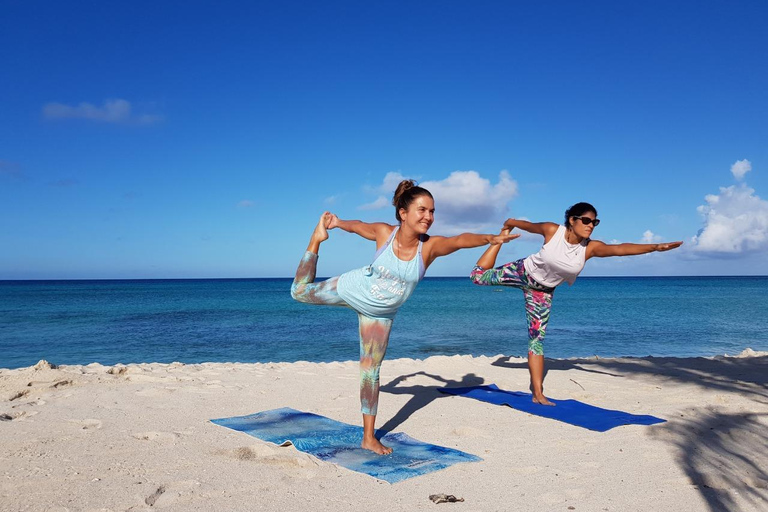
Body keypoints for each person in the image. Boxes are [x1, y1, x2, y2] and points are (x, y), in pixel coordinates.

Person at [291, 180, 518, 454]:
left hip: (380, 316)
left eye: (432, 211)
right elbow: (358, 225)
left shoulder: (429, 247)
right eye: (422, 210)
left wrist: (489, 239)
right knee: (299, 292)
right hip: (352, 288)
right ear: (403, 213)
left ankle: (368, 437)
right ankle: (315, 240)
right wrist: (336, 223)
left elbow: (458, 241)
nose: (428, 217)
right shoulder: (384, 233)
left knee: (370, 373)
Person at [470, 202, 683, 405]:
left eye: (595, 222)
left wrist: (655, 247)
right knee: (477, 277)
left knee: (536, 341)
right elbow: (526, 225)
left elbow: (620, 249)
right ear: (572, 220)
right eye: (586, 220)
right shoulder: (552, 231)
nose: (591, 225)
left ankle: (537, 393)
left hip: (542, 294)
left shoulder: (589, 249)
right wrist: (510, 224)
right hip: (522, 271)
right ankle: (499, 240)